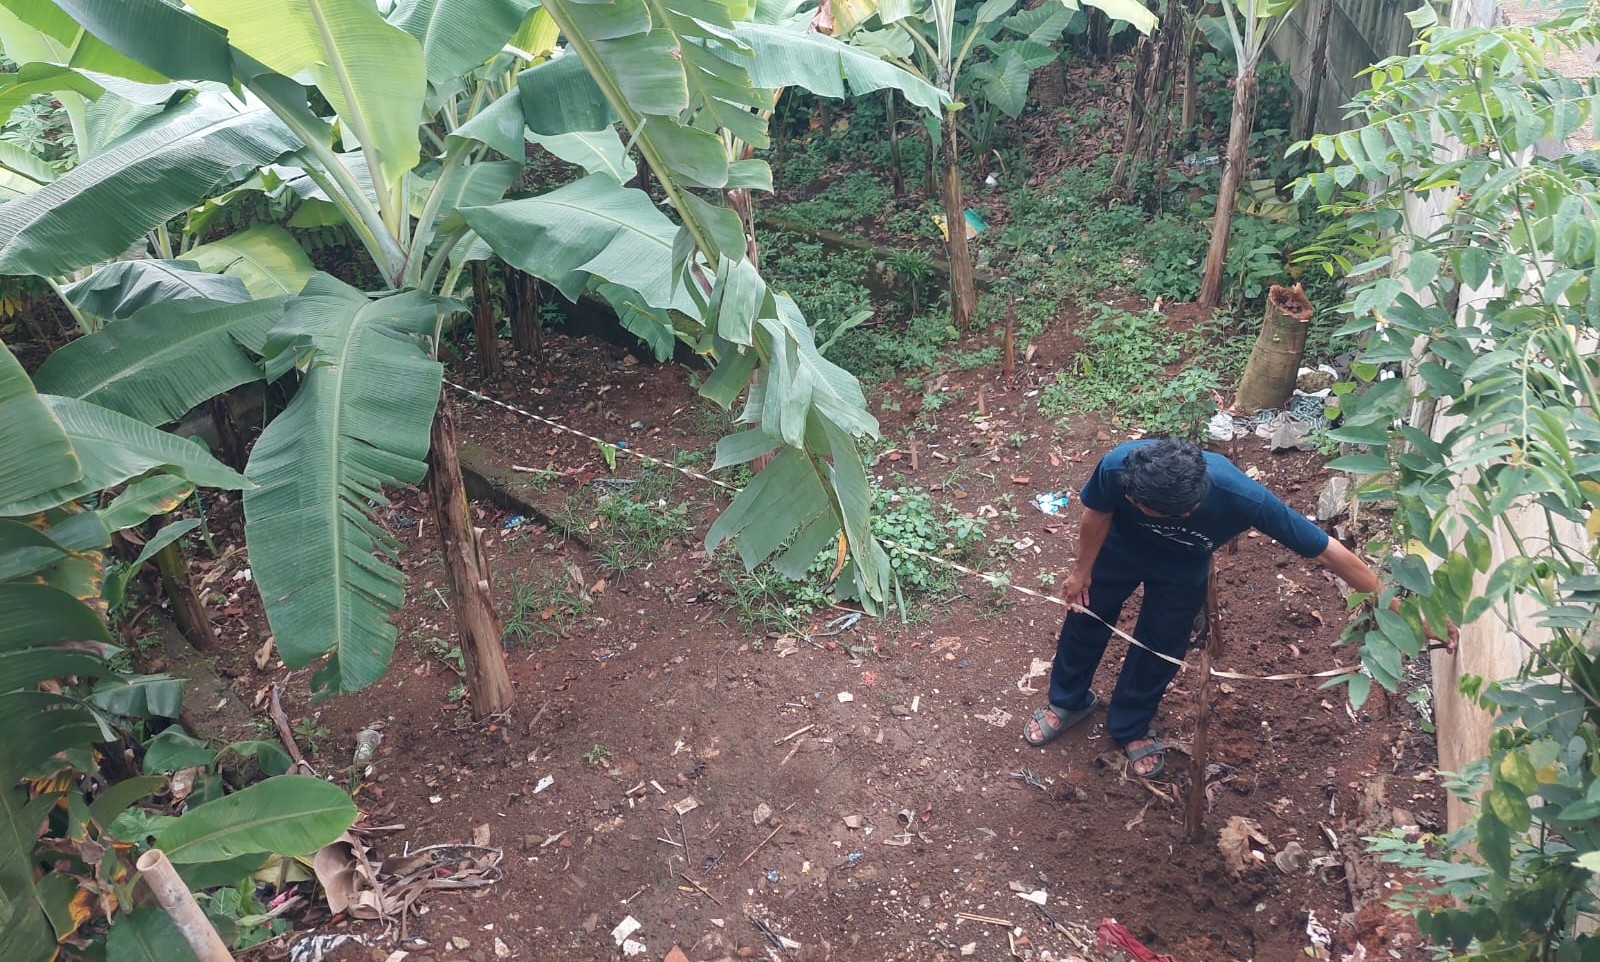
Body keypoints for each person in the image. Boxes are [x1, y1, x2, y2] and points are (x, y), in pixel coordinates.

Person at [1023, 438, 1445, 778]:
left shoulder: (1242, 498)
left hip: (1182, 566)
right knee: (1086, 616)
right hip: (1118, 550)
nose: (1135, 506)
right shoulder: (1122, 467)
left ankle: (1130, 724)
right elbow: (1096, 516)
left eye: (1145, 509)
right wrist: (1081, 572)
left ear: (1188, 509)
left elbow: (1329, 553)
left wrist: (1402, 611)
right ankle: (1068, 700)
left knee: (1160, 645)